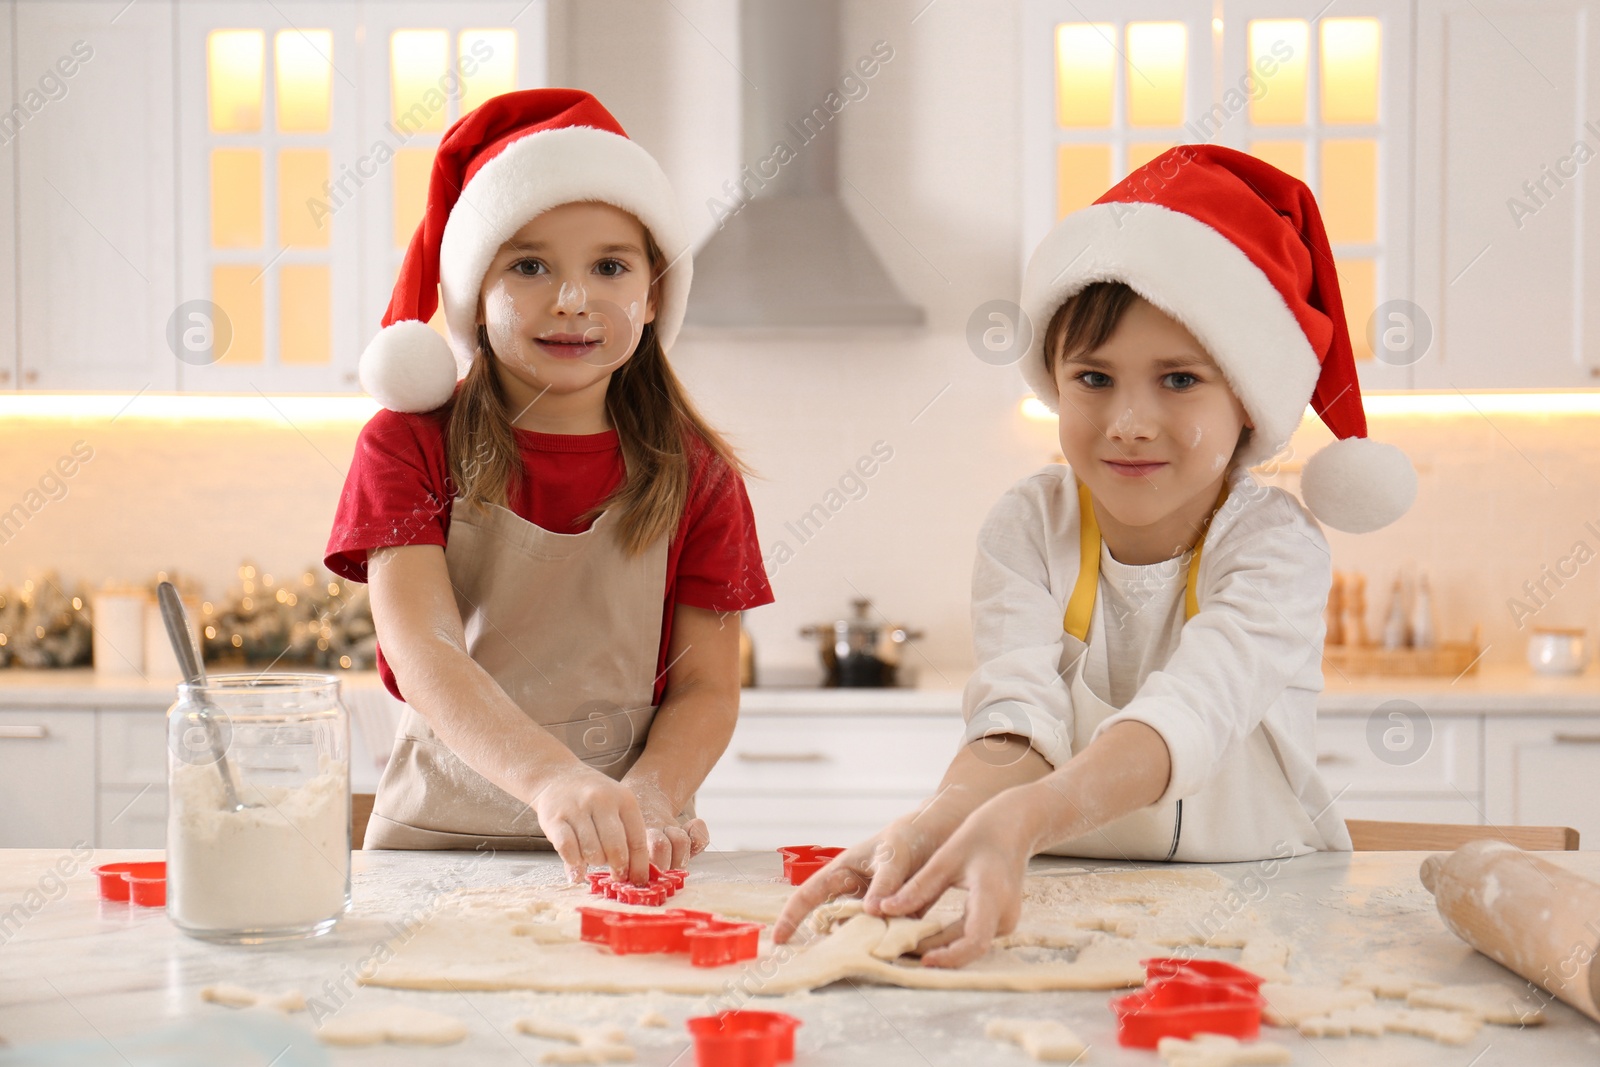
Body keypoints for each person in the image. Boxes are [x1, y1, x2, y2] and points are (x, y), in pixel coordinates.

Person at [774, 145, 1417, 966]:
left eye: (1179, 380)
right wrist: (944, 818)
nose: (1130, 420)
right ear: (1053, 381)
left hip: (1269, 913)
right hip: (1074, 905)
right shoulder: (1028, 523)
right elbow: (1015, 719)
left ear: (1248, 402)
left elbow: (1188, 712)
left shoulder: (1274, 546)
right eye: (1094, 377)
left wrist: (1024, 820)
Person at [324, 90, 772, 882]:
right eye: (529, 265)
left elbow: (706, 686)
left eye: (610, 265)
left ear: (654, 291)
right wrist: (552, 778)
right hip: (435, 849)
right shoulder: (408, 446)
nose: (572, 299)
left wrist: (656, 796)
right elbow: (422, 648)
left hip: (625, 855)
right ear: (474, 292)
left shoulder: (697, 474)